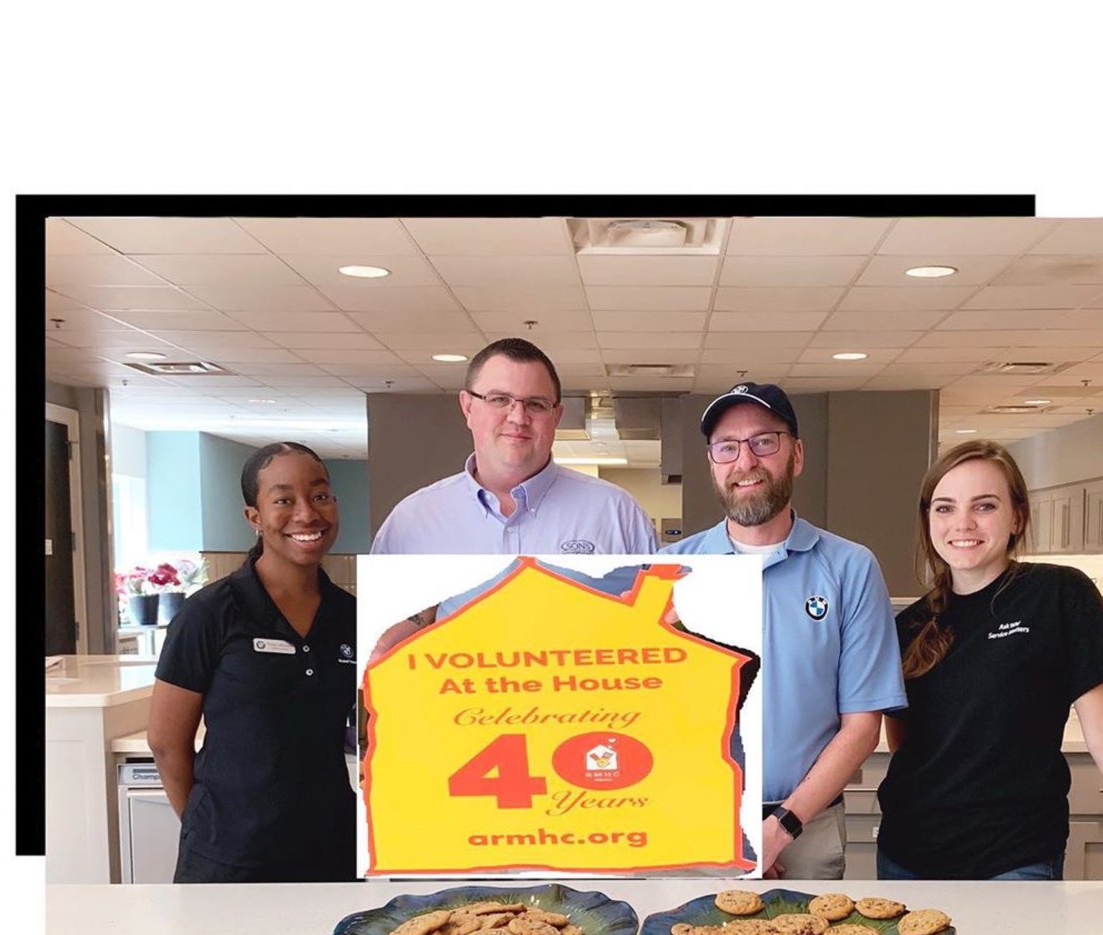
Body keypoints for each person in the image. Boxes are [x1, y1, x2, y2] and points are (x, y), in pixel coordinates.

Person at [661, 382, 906, 879]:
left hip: (807, 829)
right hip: (697, 825)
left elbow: (862, 726)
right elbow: (657, 717)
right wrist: (724, 827)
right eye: (727, 447)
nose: (745, 460)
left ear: (796, 455)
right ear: (712, 462)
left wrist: (779, 829)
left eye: (764, 441)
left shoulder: (850, 568)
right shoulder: (668, 570)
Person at [876, 440, 1103, 879]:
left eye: (984, 506)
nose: (963, 523)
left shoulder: (1059, 594)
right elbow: (904, 745)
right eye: (944, 508)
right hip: (909, 856)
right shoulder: (910, 625)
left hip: (1014, 858)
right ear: (928, 520)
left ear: (1017, 516)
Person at [147, 442, 358, 883]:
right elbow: (166, 742)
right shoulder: (210, 613)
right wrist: (210, 829)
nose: (307, 514)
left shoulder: (350, 615)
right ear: (254, 517)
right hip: (229, 862)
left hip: (331, 853)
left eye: (320, 495)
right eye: (283, 500)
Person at [370, 337, 658, 556]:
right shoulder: (410, 522)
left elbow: (661, 616)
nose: (518, 418)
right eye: (499, 400)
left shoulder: (617, 514)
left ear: (556, 416)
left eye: (536, 404)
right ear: (468, 407)